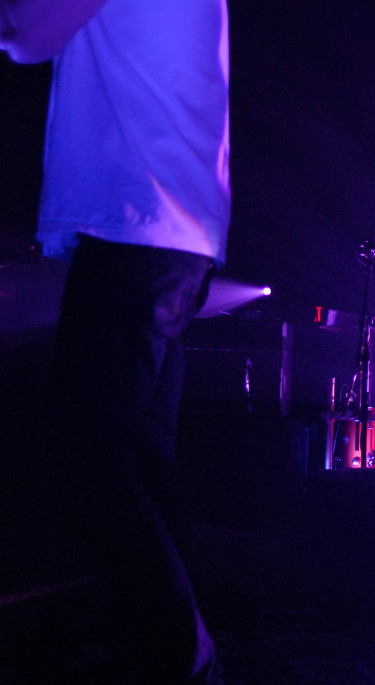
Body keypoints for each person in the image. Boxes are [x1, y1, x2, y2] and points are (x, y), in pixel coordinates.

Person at [1, 1, 230, 683]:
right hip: (176, 234)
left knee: (89, 473)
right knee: (141, 469)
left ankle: (184, 660)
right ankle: (179, 657)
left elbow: (26, 34)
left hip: (135, 227)